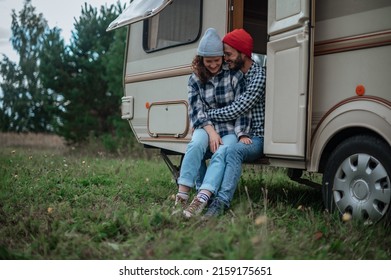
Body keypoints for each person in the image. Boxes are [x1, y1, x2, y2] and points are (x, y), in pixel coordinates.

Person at [182, 28, 266, 218]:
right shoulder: (238, 73)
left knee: (229, 151)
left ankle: (220, 202)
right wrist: (207, 127)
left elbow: (238, 108)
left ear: (242, 53)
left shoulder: (257, 76)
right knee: (196, 148)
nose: (224, 59)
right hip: (234, 131)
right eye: (223, 55)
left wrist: (206, 115)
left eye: (227, 54)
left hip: (255, 135)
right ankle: (201, 194)